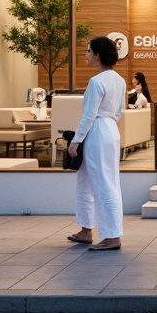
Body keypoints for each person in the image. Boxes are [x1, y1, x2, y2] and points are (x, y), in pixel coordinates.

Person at [65, 36, 125, 251]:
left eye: (88, 51)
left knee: (102, 184)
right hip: (110, 129)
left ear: (97, 55)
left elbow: (89, 115)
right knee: (87, 181)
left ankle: (112, 236)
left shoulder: (96, 81)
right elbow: (119, 111)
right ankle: (86, 229)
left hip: (97, 131)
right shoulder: (119, 79)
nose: (86, 54)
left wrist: (76, 141)